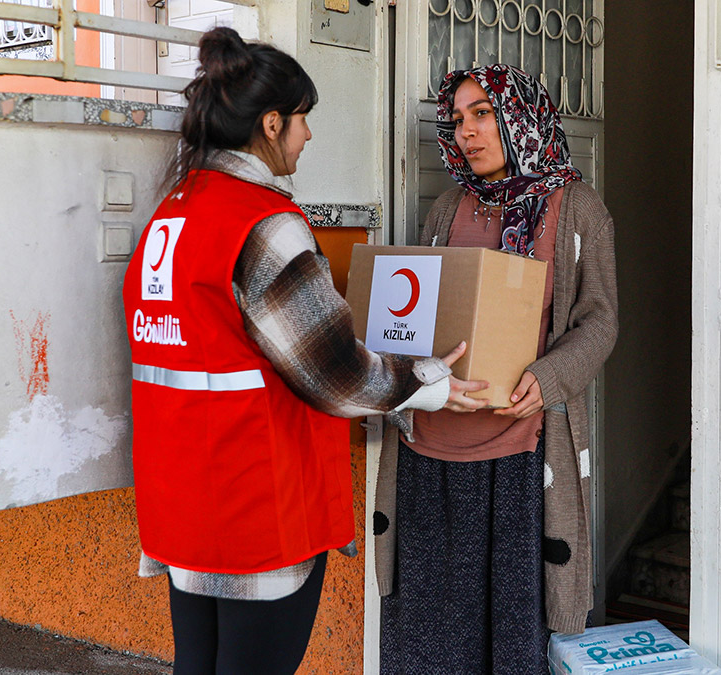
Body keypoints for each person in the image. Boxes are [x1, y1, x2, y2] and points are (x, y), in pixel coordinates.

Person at [121, 27, 486, 675]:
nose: (308, 136)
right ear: (270, 123)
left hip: (184, 504)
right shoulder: (265, 224)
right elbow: (336, 375)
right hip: (257, 505)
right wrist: (430, 381)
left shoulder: (172, 214)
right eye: (302, 120)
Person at [374, 64, 618, 673]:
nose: (467, 132)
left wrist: (552, 377)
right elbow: (415, 318)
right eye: (457, 119)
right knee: (427, 644)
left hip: (518, 457)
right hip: (430, 453)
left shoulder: (578, 209)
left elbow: (600, 322)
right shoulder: (448, 207)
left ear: (520, 114)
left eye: (482, 112)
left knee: (509, 646)